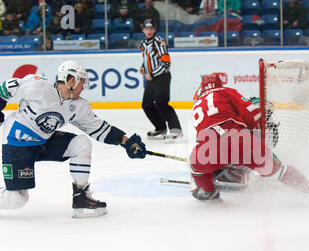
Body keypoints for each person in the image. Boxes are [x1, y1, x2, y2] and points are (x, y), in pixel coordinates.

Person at [0, 61, 148, 218]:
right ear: (72, 80)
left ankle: (80, 197)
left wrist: (127, 142)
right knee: (17, 199)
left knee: (81, 143)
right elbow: (7, 87)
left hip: (44, 142)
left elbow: (98, 128)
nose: (83, 87)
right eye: (82, 82)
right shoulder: (39, 87)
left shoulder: (79, 106)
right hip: (17, 142)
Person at [189, 73, 309, 202]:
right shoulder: (225, 91)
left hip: (208, 148)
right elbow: (250, 111)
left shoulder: (197, 104)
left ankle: (208, 191)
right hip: (240, 139)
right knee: (278, 171)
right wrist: (253, 132)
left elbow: (200, 135)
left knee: (194, 165)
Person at [139, 19, 183, 140]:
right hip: (151, 79)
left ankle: (176, 130)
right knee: (146, 105)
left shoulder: (159, 42)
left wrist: (151, 74)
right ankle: (160, 127)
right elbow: (147, 59)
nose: (148, 31)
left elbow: (166, 64)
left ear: (154, 29)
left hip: (162, 77)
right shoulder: (143, 43)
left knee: (161, 103)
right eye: (146, 28)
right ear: (143, 29)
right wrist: (143, 67)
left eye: (151, 28)